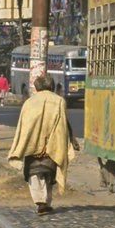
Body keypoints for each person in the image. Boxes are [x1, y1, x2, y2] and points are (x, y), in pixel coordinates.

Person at [8, 75, 79, 214]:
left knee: (34, 176)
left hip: (32, 146)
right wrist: (52, 145)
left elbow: (24, 127)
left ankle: (40, 202)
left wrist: (32, 145)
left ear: (37, 86)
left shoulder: (29, 102)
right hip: (53, 145)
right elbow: (62, 125)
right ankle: (45, 202)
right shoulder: (59, 101)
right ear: (51, 86)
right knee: (49, 175)